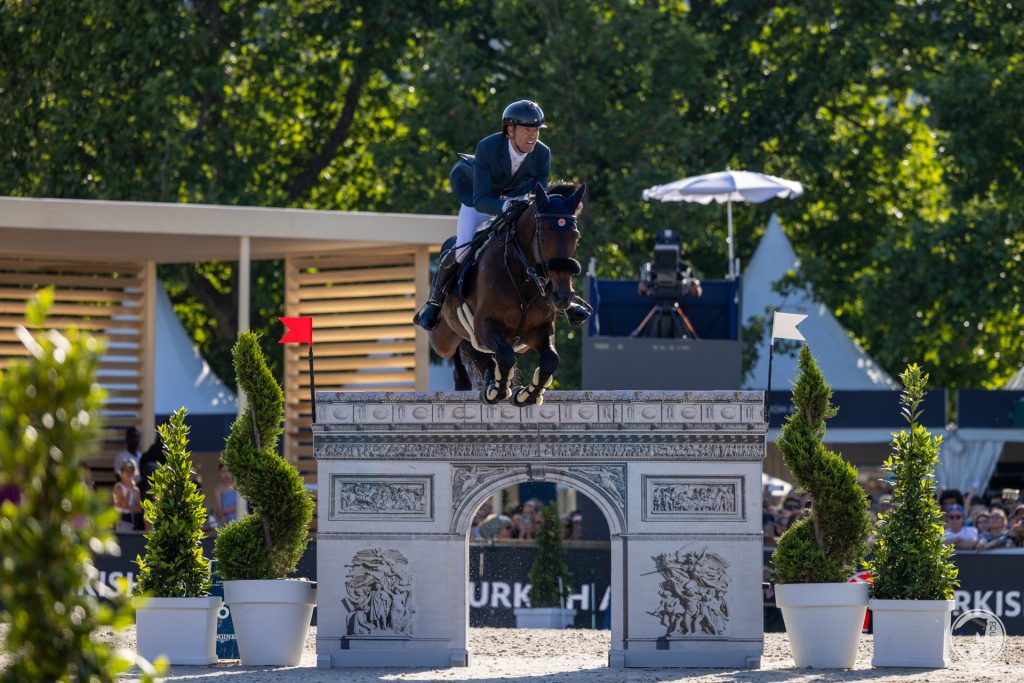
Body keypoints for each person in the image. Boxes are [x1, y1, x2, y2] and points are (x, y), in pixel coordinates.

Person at [413, 99, 590, 331]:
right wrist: (504, 207)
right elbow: (481, 198)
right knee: (463, 249)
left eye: (536, 129)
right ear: (510, 129)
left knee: (539, 247)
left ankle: (565, 303)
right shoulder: (487, 148)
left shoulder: (542, 153)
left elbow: (538, 194)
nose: (533, 135)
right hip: (480, 204)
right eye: (527, 129)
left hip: (518, 203)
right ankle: (434, 303)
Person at [113, 460, 143, 532]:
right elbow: (123, 505)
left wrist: (129, 508)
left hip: (134, 520)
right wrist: (129, 489)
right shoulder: (118, 487)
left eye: (131, 471)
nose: (129, 473)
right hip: (122, 520)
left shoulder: (136, 489)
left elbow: (139, 509)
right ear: (121, 473)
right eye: (127, 471)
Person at [212, 463, 239, 528]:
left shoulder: (239, 487)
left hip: (241, 521)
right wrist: (227, 527)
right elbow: (218, 512)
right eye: (223, 472)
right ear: (219, 472)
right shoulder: (218, 489)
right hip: (226, 525)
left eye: (229, 471)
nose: (226, 474)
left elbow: (241, 507)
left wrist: (224, 511)